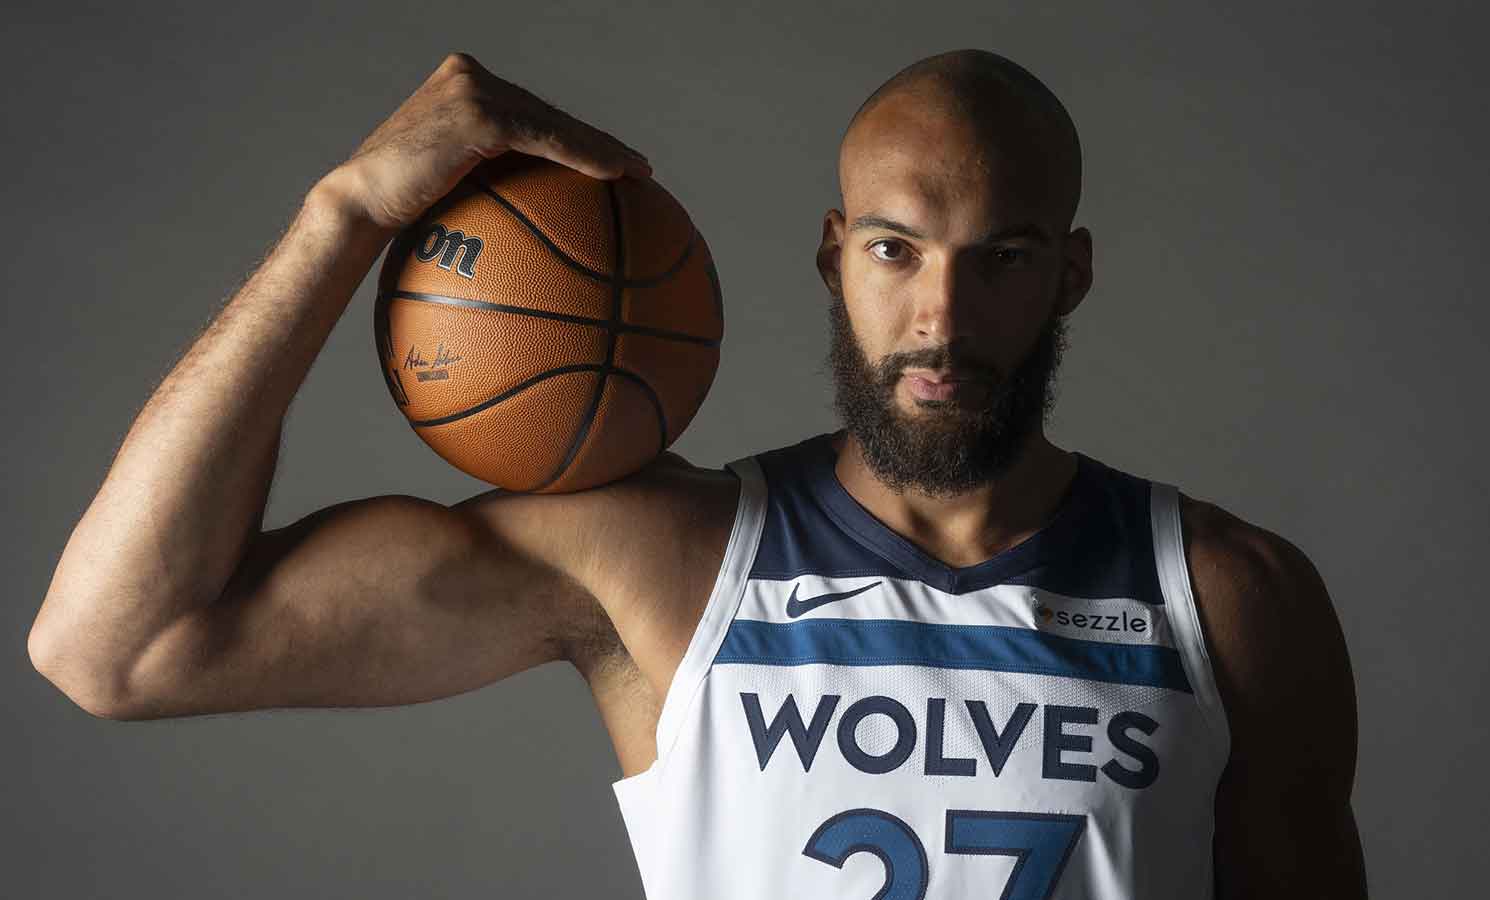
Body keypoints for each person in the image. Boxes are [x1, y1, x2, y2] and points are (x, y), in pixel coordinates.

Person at [29, 48, 1366, 898]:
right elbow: (117, 649)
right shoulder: (658, 563)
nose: (942, 317)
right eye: (895, 249)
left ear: (1068, 273)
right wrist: (342, 218)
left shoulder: (1227, 598)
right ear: (834, 254)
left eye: (1002, 259)